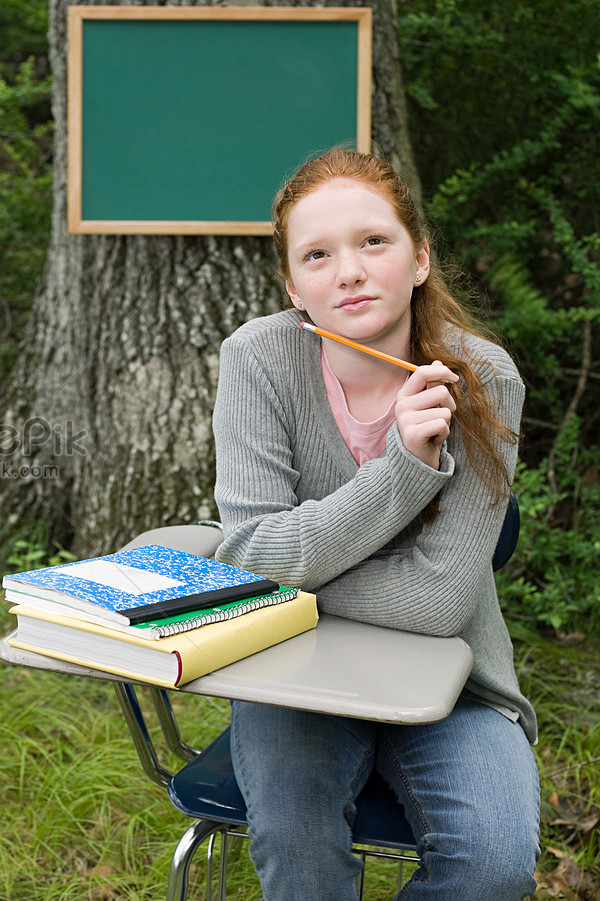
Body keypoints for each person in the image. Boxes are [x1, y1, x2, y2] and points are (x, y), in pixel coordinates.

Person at [210, 148, 540, 900]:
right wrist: (401, 467)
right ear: (294, 286)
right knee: (299, 848)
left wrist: (277, 585)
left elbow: (438, 605)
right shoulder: (258, 361)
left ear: (419, 258)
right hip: (289, 673)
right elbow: (252, 552)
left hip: (458, 680)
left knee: (494, 865)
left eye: (373, 242)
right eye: (318, 255)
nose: (349, 271)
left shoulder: (481, 378)